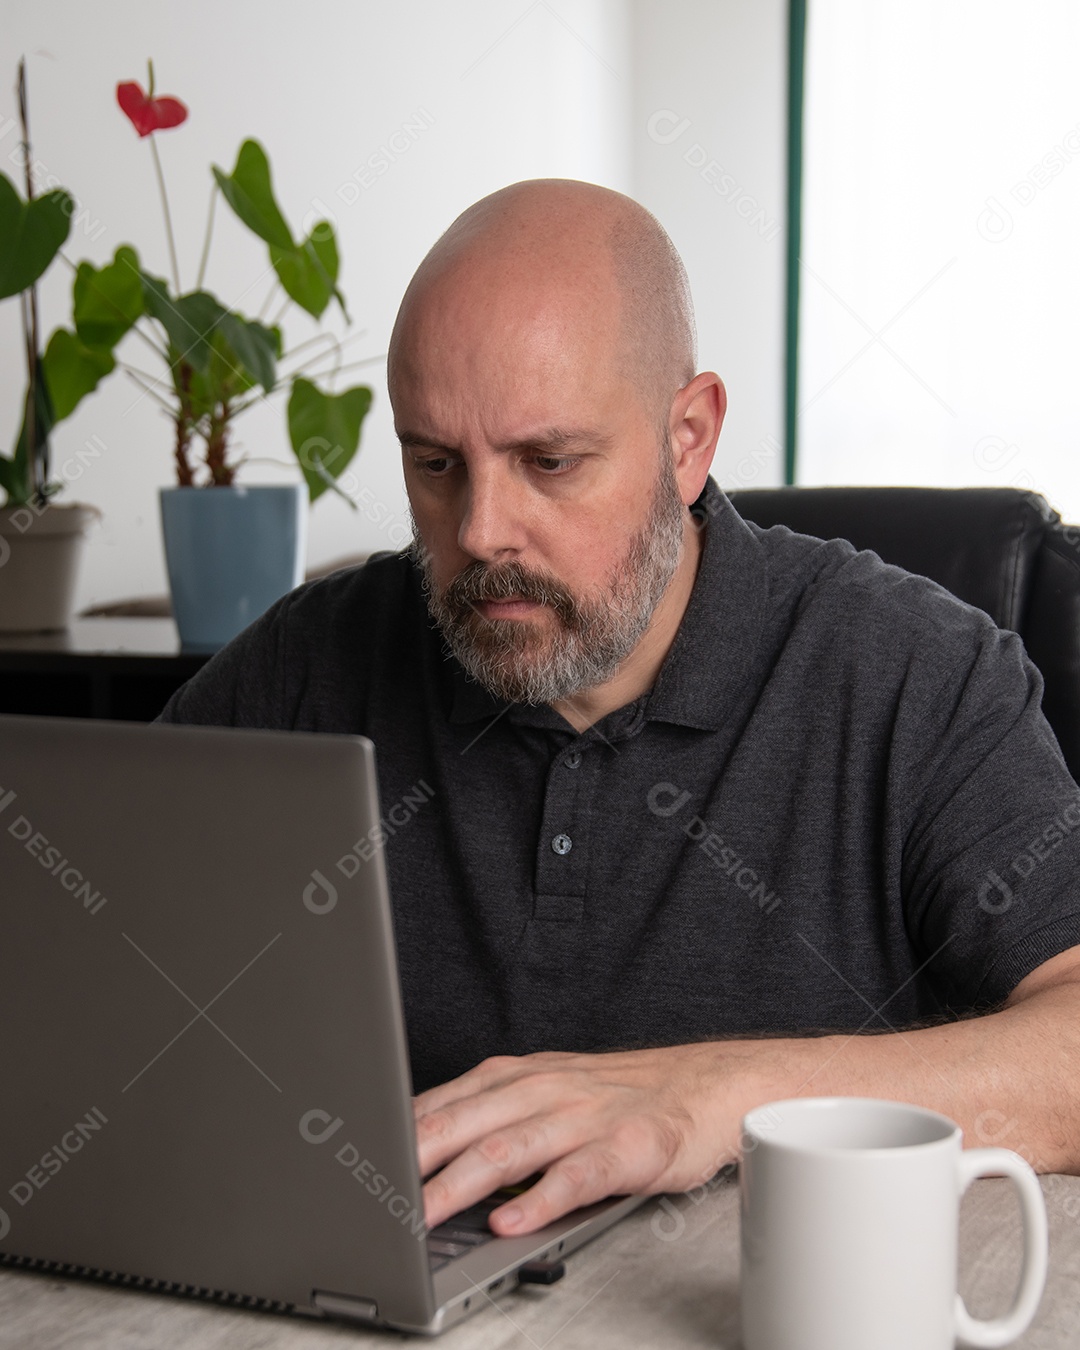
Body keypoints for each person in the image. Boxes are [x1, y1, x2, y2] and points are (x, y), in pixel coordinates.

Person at [159, 178, 1080, 1240]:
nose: (483, 530)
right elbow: (84, 974)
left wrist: (711, 1100)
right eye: (436, 464)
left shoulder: (916, 671)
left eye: (549, 462)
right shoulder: (307, 666)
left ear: (688, 439)